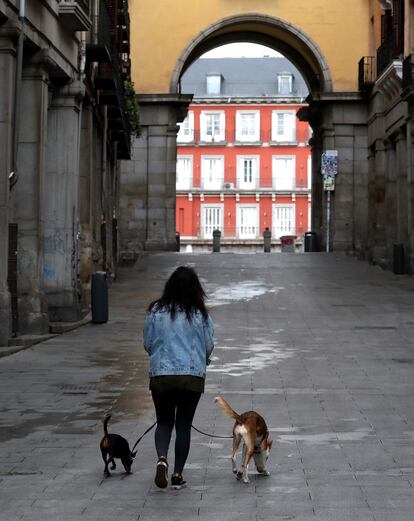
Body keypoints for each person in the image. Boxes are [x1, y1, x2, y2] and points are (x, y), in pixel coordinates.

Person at [143, 266, 214, 490]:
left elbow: (147, 342)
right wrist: (203, 359)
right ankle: (177, 474)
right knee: (184, 426)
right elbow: (208, 344)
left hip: (162, 376)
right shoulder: (200, 314)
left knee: (164, 422)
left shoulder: (155, 311)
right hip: (191, 377)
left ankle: (162, 459)